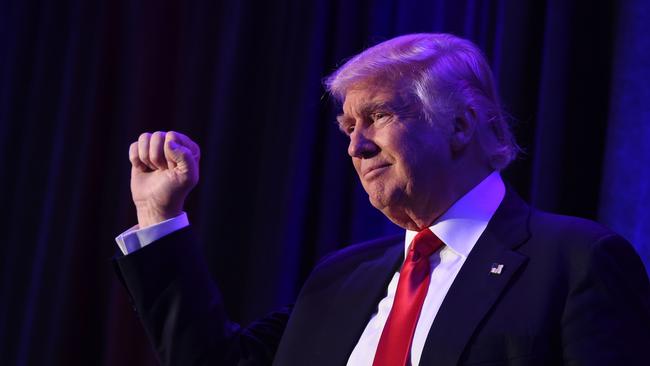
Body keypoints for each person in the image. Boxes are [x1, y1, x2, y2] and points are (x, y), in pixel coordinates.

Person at [113, 33, 650, 365]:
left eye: (379, 117)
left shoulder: (576, 262)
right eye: (347, 126)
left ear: (461, 125)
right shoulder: (339, 279)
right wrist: (159, 217)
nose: (356, 145)